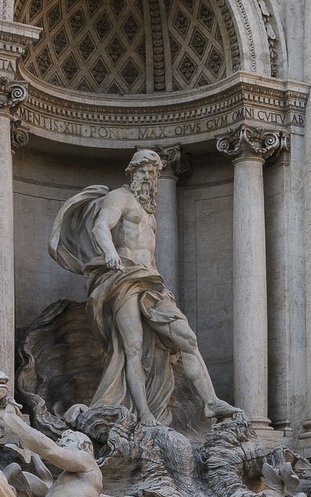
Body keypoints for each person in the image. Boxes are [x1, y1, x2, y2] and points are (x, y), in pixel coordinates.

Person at [49, 149, 243, 426]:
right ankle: (145, 415)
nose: (149, 177)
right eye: (144, 171)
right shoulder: (119, 197)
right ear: (132, 172)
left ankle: (211, 402)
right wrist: (110, 253)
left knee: (187, 338)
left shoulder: (150, 213)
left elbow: (150, 255)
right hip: (123, 276)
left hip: (151, 283)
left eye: (153, 173)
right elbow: (100, 227)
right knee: (133, 348)